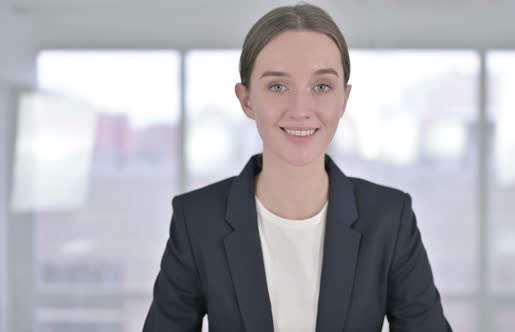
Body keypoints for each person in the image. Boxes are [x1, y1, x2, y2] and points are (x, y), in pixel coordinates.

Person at [143, 2, 452, 331]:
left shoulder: (390, 218)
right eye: (278, 86)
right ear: (246, 99)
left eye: (321, 87)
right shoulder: (197, 220)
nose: (300, 109)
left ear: (344, 99)